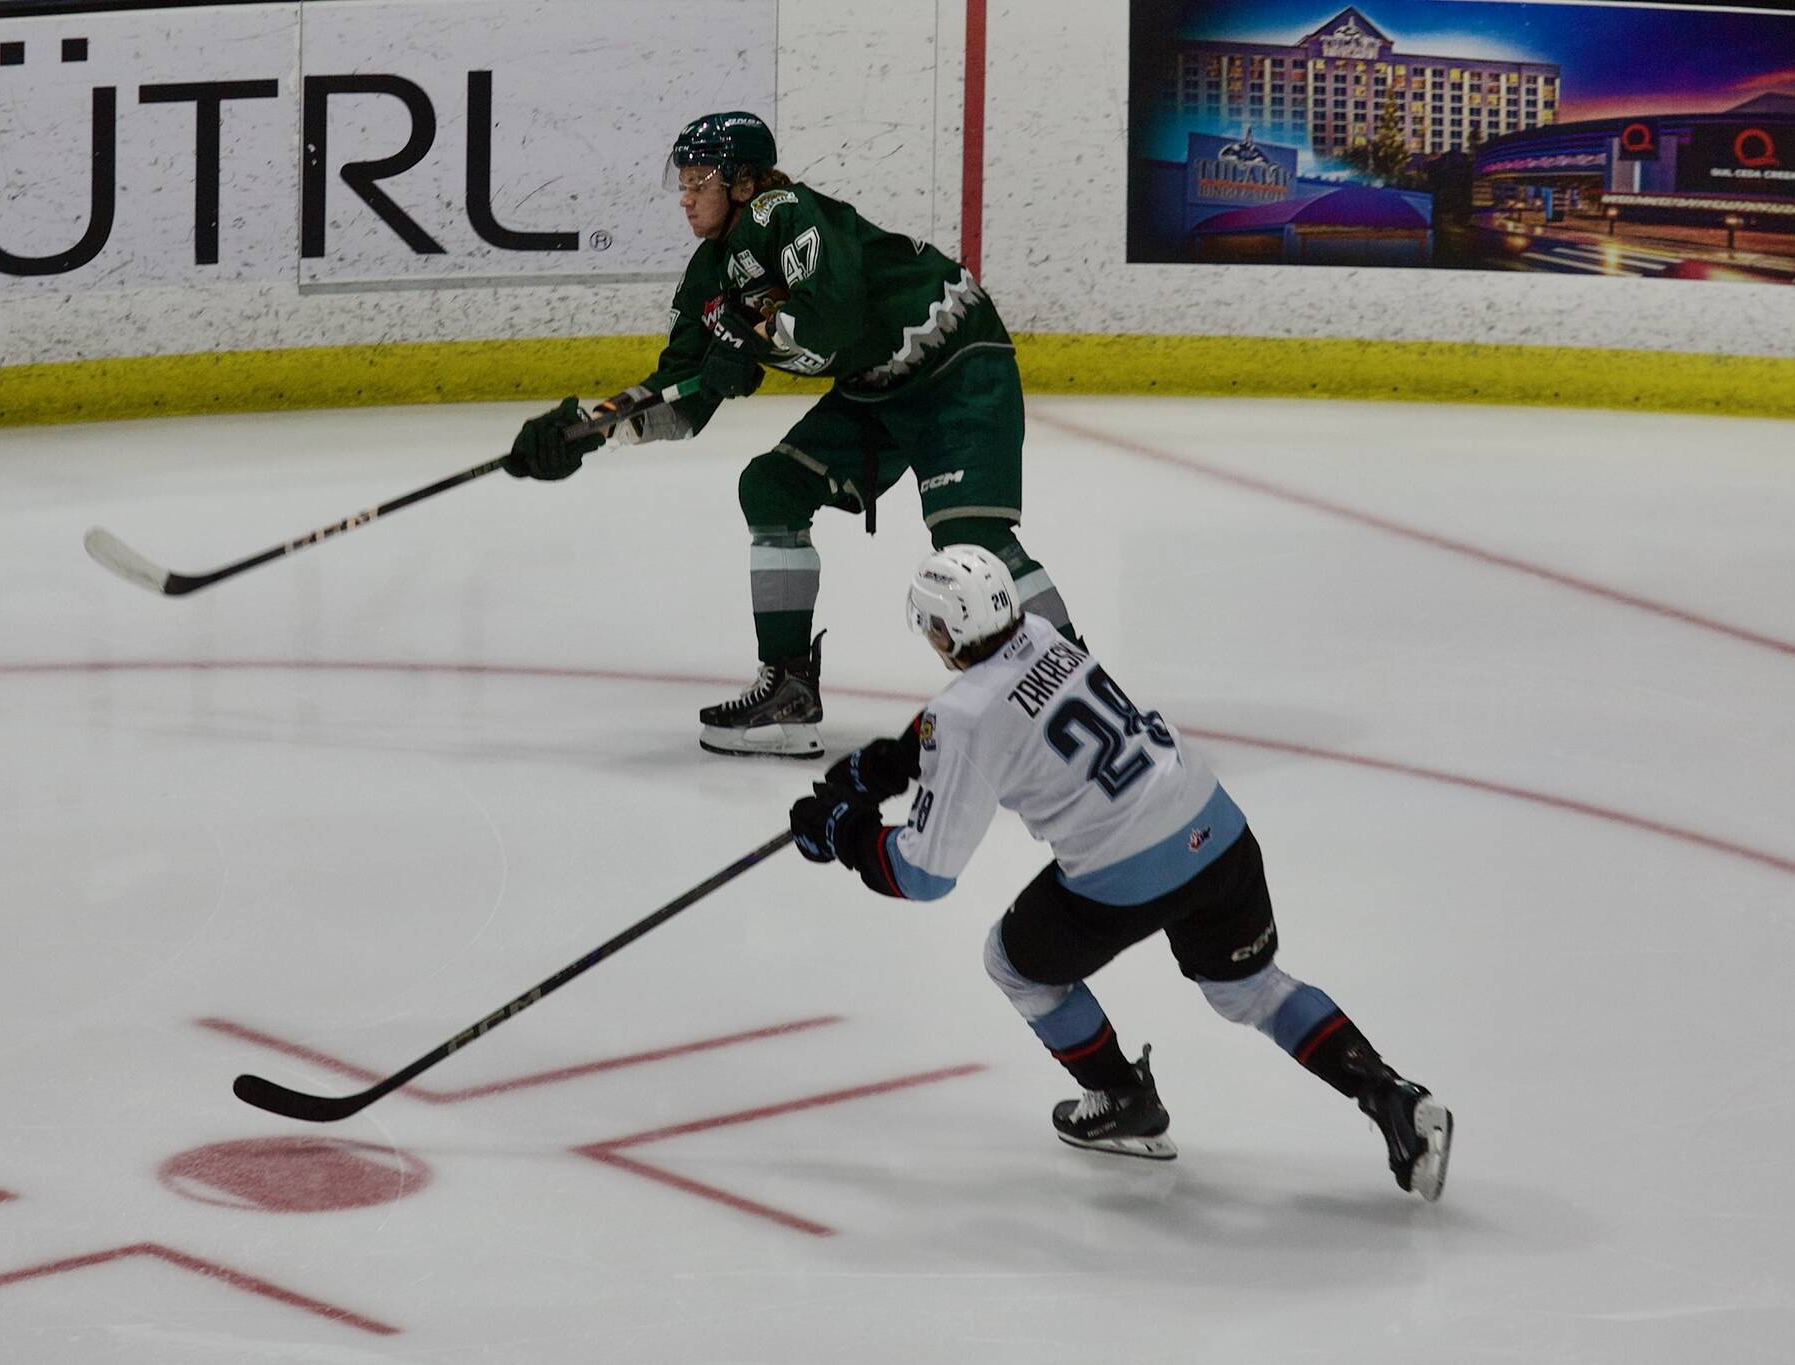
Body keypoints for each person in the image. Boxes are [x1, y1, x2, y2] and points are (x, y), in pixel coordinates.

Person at [785, 546, 1453, 1200]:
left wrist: (845, 831)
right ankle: (1391, 1095)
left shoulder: (959, 719)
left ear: (941, 630)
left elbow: (924, 872)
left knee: (1012, 961)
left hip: (1126, 868)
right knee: (1248, 987)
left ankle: (1121, 1097)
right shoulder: (1042, 634)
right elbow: (985, 714)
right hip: (1214, 826)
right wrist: (895, 761)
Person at [504, 111, 1075, 761]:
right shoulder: (707, 277)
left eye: (700, 181)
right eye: (682, 183)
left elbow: (829, 318)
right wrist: (586, 428)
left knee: (972, 542)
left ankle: (1077, 687)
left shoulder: (784, 211)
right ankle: (789, 690)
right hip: (874, 388)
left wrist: (750, 340)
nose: (685, 198)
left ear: (743, 182)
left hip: (953, 363)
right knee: (772, 488)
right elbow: (682, 397)